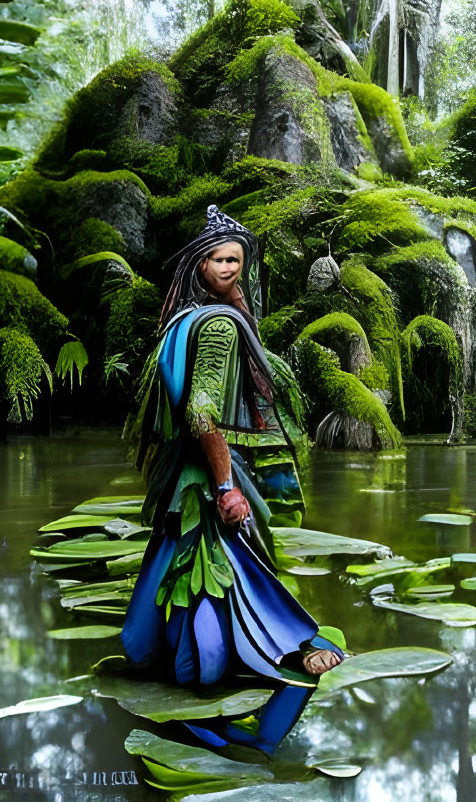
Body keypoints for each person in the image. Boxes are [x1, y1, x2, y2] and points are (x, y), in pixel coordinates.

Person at [119, 205, 346, 752]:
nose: (230, 269)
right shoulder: (218, 326)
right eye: (220, 260)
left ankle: (202, 691)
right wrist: (226, 485)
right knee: (224, 567)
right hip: (210, 477)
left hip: (189, 478)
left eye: (237, 261)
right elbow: (201, 413)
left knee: (192, 567)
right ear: (199, 266)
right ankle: (267, 680)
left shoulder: (187, 321)